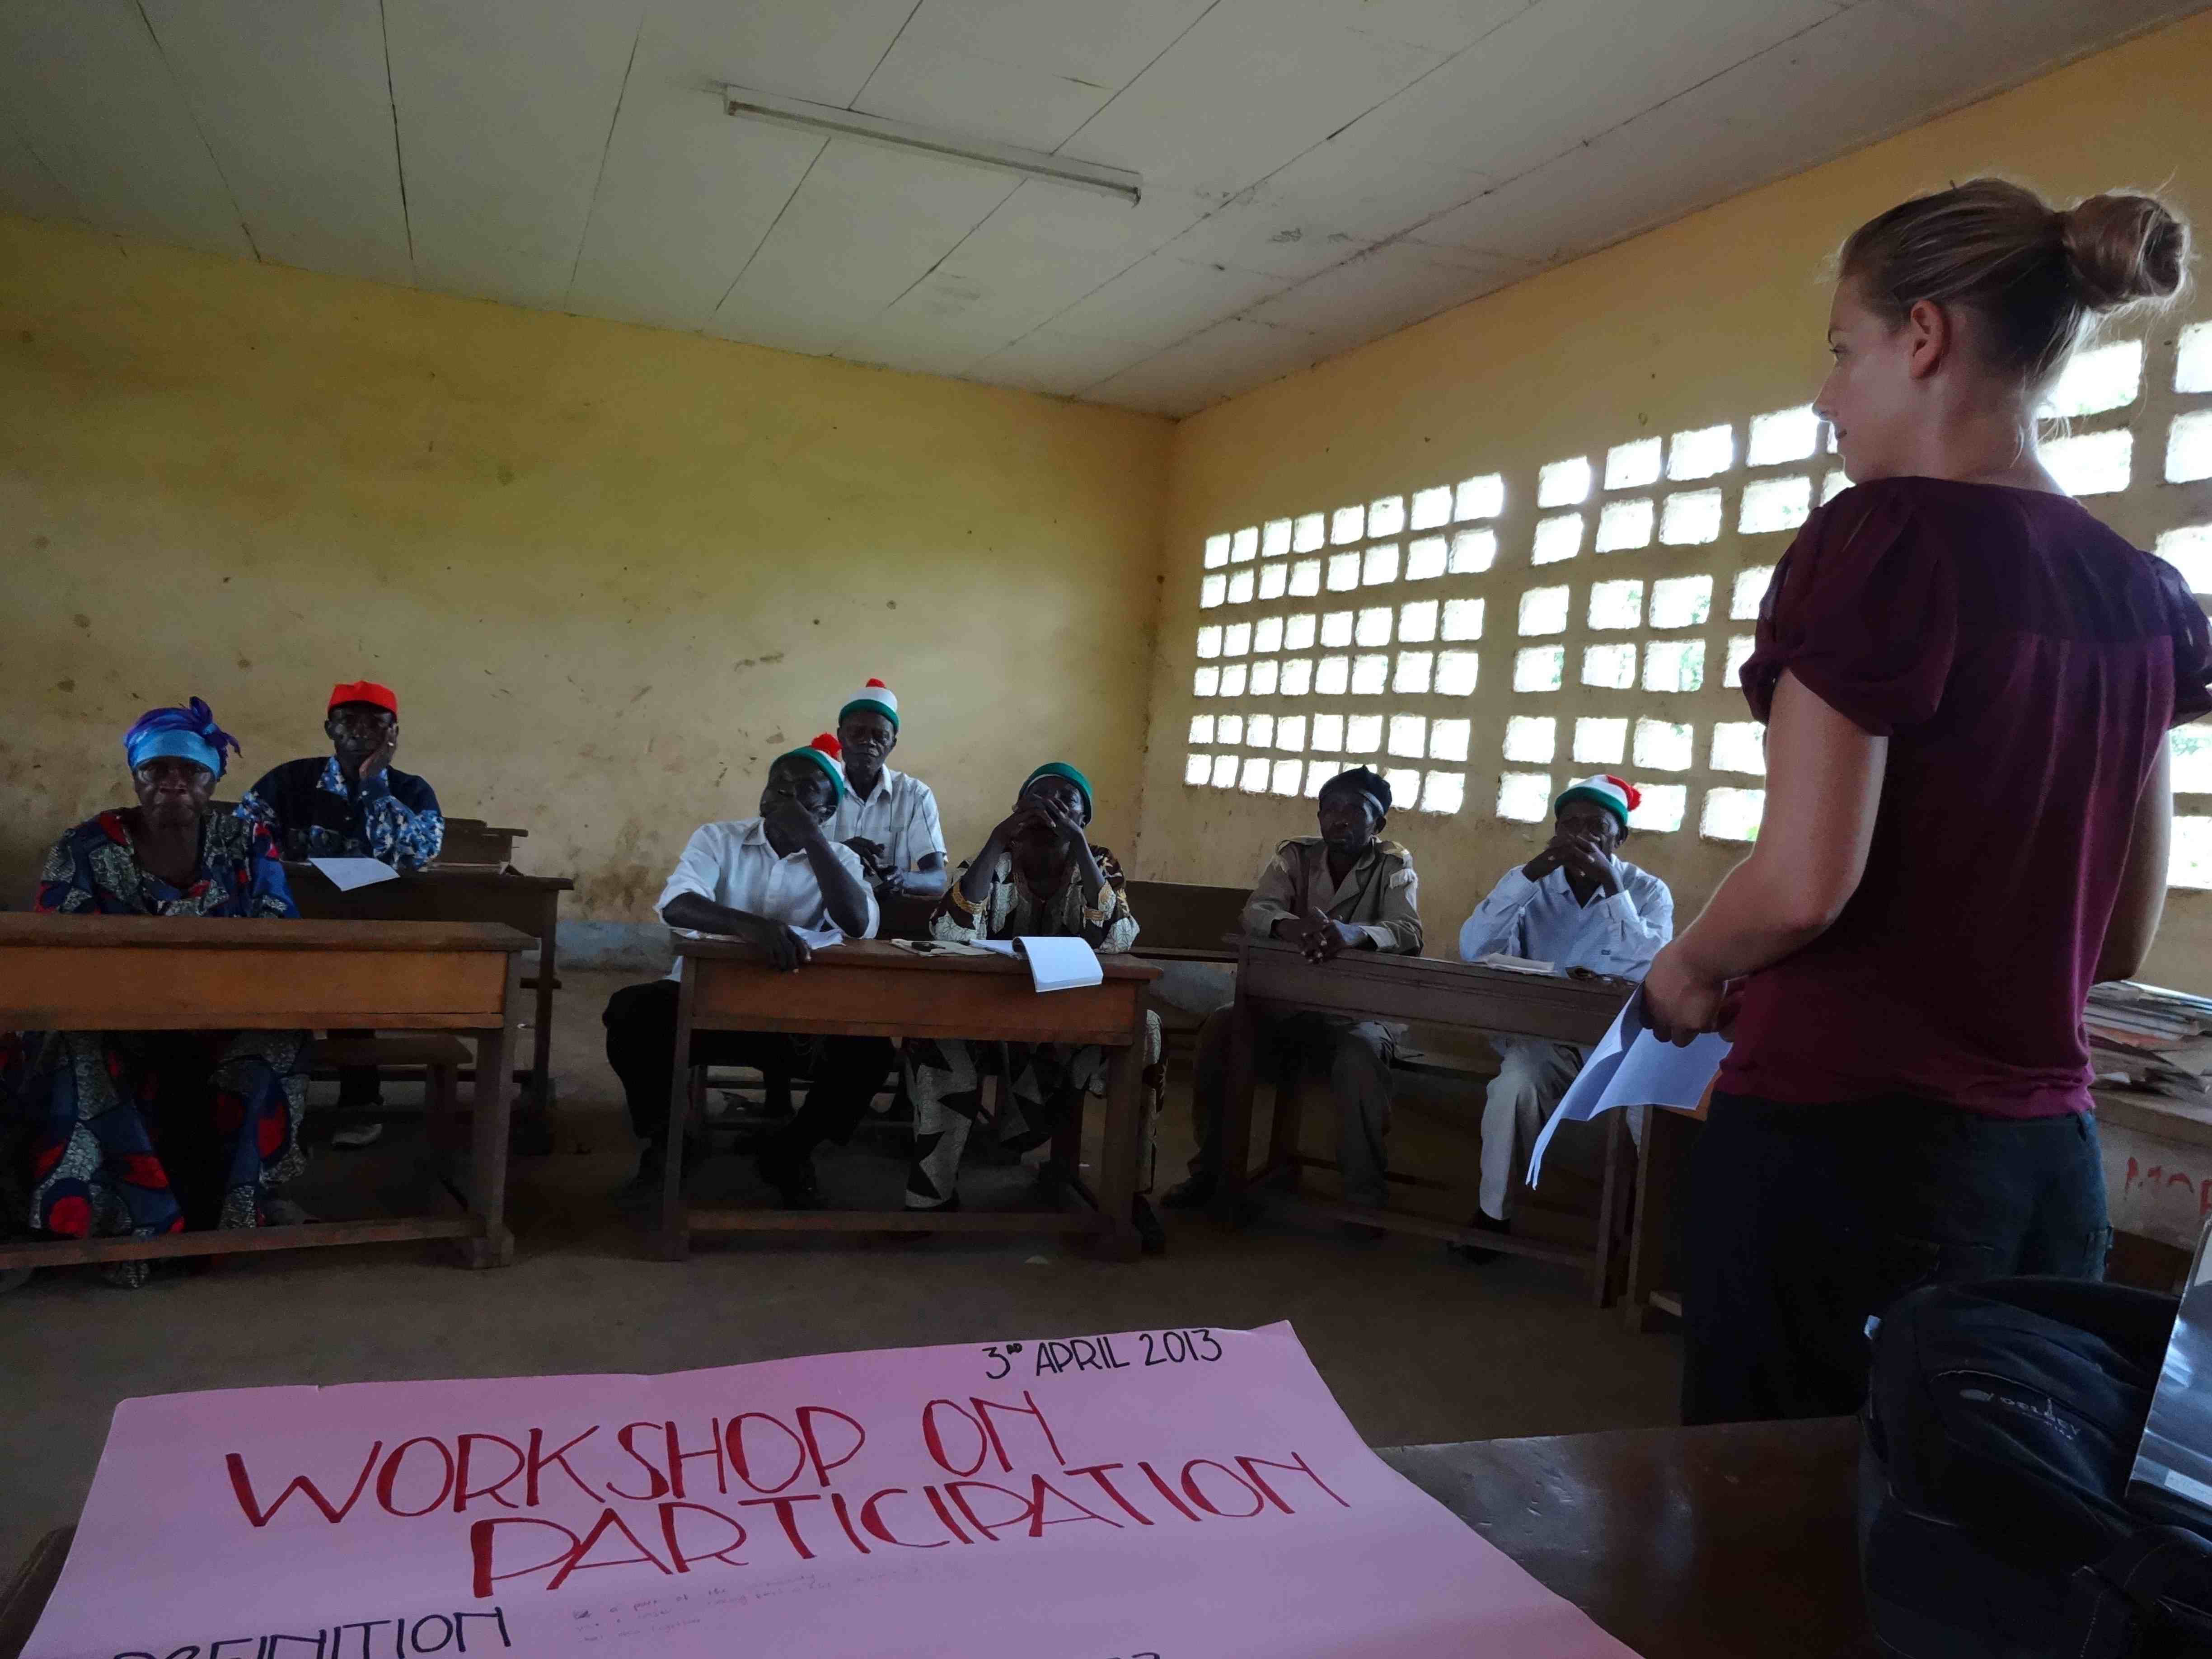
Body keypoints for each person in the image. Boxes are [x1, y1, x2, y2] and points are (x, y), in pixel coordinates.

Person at [1638, 179, 2207, 1425]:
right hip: (2046, 1169)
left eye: (1843, 351)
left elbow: (1801, 884)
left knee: (1775, 1512)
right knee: (1971, 1513)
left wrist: (1683, 969)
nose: (1826, 395)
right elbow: (2118, 938)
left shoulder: (1881, 540)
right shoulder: (2145, 596)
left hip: (1848, 1150)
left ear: (1925, 338)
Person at [3, 700, 307, 1287]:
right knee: (75, 1047)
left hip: (224, 1015)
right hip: (114, 1016)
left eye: (190, 771)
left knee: (276, 1042)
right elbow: (54, 948)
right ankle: (120, 1225)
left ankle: (239, 1209)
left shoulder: (247, 842)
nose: (172, 782)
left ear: (213, 779)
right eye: (155, 770)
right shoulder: (86, 846)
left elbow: (281, 934)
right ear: (135, 777)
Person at [601, 736, 886, 1200]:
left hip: (796, 1019)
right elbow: (677, 904)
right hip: (705, 1005)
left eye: (805, 789)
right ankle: (669, 1142)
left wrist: (813, 840)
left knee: (870, 1053)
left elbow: (859, 924)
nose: (787, 793)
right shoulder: (718, 839)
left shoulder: (843, 860)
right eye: (779, 783)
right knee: (632, 1014)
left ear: (828, 812)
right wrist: (753, 927)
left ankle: (791, 1150)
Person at [1161, 766, 1421, 1224]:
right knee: (1222, 1028)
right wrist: (1291, 926)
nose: (1340, 819)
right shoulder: (1295, 857)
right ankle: (1212, 1173)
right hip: (1287, 1005)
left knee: (1361, 1056)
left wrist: (1355, 934)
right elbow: (1257, 910)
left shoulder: (1394, 865)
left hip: (1357, 1013)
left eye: (1355, 810)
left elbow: (1407, 931)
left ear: (1378, 824)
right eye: (1330, 809)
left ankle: (1363, 1198)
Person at [906, 763, 1153, 1235]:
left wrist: (1079, 846)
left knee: (1148, 1029)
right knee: (939, 1040)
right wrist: (998, 838)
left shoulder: (1098, 863)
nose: (1050, 808)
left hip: (1069, 1018)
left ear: (1084, 817)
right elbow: (949, 931)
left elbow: (1118, 938)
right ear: (1018, 810)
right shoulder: (997, 857)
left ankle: (1129, 1195)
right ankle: (929, 1193)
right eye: (1038, 799)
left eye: (1066, 801)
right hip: (985, 1012)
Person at [1453, 775, 1673, 1260]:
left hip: (1615, 1045)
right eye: (1570, 825)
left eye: (1596, 827)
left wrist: (1613, 887)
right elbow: (1474, 948)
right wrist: (1532, 872)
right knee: (1514, 1088)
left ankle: (1645, 1232)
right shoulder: (1530, 883)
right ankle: (1493, 1216)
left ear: (1620, 838)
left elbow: (1648, 966)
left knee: (1649, 1110)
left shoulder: (1648, 891)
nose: (1581, 836)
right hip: (1543, 1037)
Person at [235, 680, 444, 870]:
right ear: (330, 729)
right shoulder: (287, 780)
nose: (360, 733)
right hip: (300, 897)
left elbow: (420, 855)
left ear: (394, 733)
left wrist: (373, 786)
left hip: (387, 899)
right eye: (348, 721)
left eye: (376, 723)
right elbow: (239, 842)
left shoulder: (414, 791)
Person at [829, 678, 948, 906]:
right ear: (841, 737)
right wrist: (839, 854)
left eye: (880, 736)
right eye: (857, 733)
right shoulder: (818, 787)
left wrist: (902, 879)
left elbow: (938, 879)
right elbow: (788, 860)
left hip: (886, 913)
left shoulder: (916, 795)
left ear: (892, 744)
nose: (868, 742)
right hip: (818, 913)